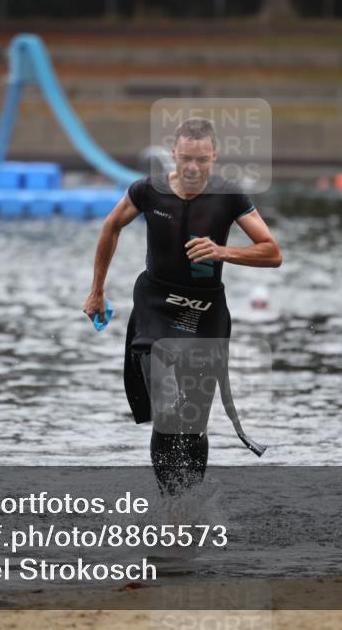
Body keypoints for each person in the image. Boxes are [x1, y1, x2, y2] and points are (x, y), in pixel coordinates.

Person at [83, 118, 282, 495]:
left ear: (214, 158)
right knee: (163, 400)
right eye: (186, 158)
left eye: (202, 160)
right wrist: (97, 291)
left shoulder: (229, 196)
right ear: (173, 154)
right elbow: (111, 227)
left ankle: (185, 504)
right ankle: (168, 501)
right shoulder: (147, 191)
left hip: (204, 310)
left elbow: (273, 253)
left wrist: (223, 251)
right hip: (157, 301)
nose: (193, 167)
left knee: (192, 423)